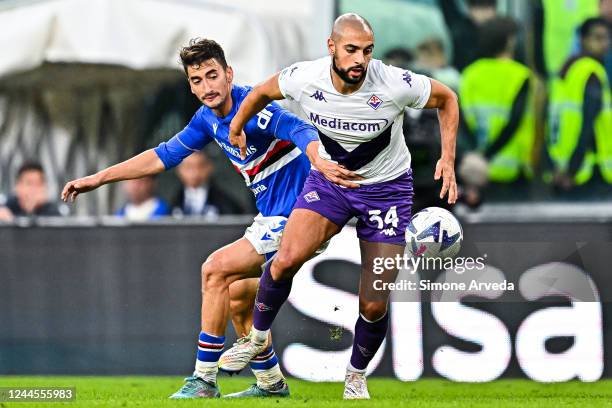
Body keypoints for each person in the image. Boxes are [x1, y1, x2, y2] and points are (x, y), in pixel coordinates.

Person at [61, 38, 346, 399]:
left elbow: (297, 128)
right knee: (239, 295)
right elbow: (162, 156)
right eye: (197, 80)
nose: (207, 87)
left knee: (214, 270)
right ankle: (271, 383)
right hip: (273, 216)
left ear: (229, 74)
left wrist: (316, 156)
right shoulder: (207, 120)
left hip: (301, 213)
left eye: (213, 76)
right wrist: (98, 178)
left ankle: (204, 379)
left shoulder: (253, 105)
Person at [219, 13, 458, 400]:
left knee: (375, 302)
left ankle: (355, 375)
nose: (359, 60)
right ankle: (256, 338)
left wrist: (447, 158)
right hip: (330, 184)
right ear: (331, 48)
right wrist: (235, 127)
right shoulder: (304, 77)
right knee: (284, 260)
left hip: (387, 193)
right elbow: (261, 92)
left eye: (366, 51)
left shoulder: (394, 82)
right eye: (351, 50)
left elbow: (447, 98)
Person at [459, 17, 536, 196]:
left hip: (474, 169)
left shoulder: (470, 73)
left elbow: (461, 119)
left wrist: (477, 155)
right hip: (513, 170)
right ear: (509, 41)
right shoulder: (520, 75)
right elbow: (514, 122)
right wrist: (488, 155)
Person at [548, 17, 612, 191]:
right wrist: (572, 170)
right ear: (583, 39)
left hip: (562, 163)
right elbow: (587, 123)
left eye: (607, 38)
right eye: (597, 38)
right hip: (588, 170)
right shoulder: (591, 73)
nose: (604, 43)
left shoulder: (569, 67)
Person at [173, 150, 245, 216]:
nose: (195, 173)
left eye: (200, 166)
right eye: (188, 167)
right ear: (179, 169)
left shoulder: (225, 202)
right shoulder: (173, 201)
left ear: (210, 167)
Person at [0, 161, 66, 221]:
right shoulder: (7, 205)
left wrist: (31, 211)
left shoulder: (53, 211)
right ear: (18, 186)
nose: (34, 189)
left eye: (39, 184)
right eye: (29, 183)